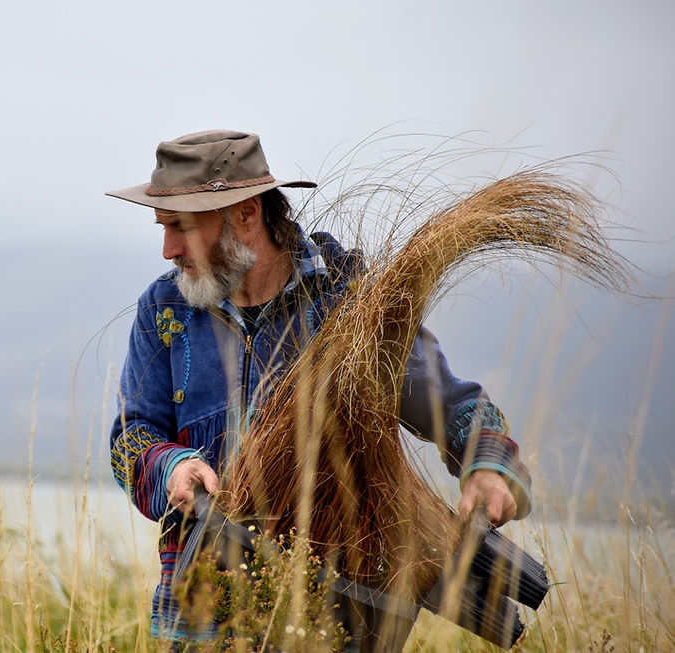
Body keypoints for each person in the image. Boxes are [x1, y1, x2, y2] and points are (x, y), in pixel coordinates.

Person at [106, 130, 531, 649]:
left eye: (182, 227)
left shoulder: (351, 302)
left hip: (338, 621)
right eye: (163, 226)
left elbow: (456, 406)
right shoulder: (163, 311)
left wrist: (488, 467)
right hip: (201, 620)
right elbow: (131, 438)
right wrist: (173, 466)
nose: (168, 249)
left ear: (246, 214)